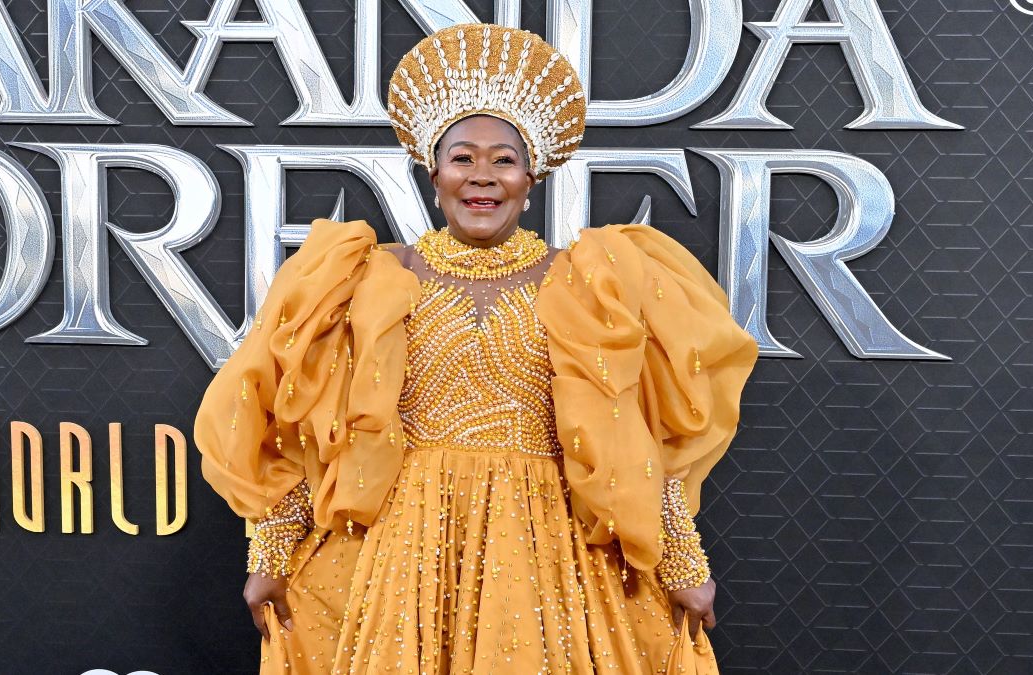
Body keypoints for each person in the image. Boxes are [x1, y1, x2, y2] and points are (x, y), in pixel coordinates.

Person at [193, 22, 759, 674]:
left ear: (531, 175)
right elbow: (321, 433)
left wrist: (683, 561)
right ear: (433, 171)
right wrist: (269, 555)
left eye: (504, 159)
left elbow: (628, 442)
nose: (482, 176)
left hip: (549, 552)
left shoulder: (585, 283)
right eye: (462, 157)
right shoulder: (371, 275)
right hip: (402, 553)